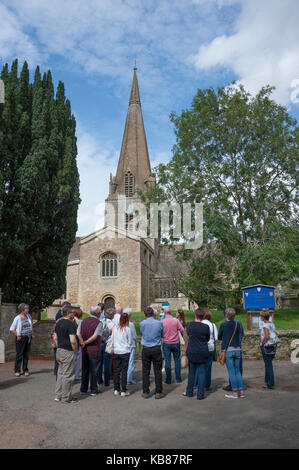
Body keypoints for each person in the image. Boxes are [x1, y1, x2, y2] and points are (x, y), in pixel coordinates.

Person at [218, 307, 245, 399]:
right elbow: (242, 334)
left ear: (226, 315)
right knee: (237, 371)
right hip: (238, 349)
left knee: (231, 372)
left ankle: (234, 393)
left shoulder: (223, 325)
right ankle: (241, 391)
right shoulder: (238, 323)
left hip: (228, 350)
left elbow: (219, 337)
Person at [183, 308, 210, 400]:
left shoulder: (190, 325)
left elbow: (188, 334)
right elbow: (208, 338)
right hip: (202, 351)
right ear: (203, 317)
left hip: (192, 351)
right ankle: (200, 394)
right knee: (202, 373)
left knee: (191, 373)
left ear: (195, 315)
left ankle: (189, 392)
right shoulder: (206, 327)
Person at [54, 305, 78, 403]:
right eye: (72, 312)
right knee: (68, 375)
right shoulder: (70, 324)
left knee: (60, 374)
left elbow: (55, 337)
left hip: (59, 350)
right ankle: (66, 398)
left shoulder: (58, 323)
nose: (74, 314)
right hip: (68, 351)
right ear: (68, 314)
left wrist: (58, 346)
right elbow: (73, 341)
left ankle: (58, 395)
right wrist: (75, 351)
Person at [77, 305, 103, 396]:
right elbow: (95, 336)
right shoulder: (98, 323)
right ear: (98, 313)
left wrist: (82, 342)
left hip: (84, 349)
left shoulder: (83, 321)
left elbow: (78, 333)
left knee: (85, 369)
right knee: (94, 370)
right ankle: (93, 390)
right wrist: (86, 342)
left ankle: (83, 389)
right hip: (94, 349)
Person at [140, 307, 165, 399]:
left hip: (146, 348)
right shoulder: (159, 323)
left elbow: (142, 333)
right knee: (157, 371)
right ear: (153, 314)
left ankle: (145, 391)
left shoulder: (142, 323)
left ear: (145, 314)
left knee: (145, 371)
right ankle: (158, 392)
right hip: (156, 348)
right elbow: (162, 334)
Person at [10, 303, 34, 377]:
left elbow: (31, 326)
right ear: (22, 310)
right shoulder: (17, 318)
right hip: (21, 338)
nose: (28, 310)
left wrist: (32, 334)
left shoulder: (29, 316)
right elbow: (12, 329)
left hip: (28, 337)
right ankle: (17, 370)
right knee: (19, 355)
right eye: (27, 309)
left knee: (26, 355)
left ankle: (25, 370)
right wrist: (18, 335)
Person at [162, 306, 185, 384]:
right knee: (177, 360)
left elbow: (160, 332)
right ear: (170, 313)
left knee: (167, 361)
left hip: (167, 343)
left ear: (165, 313)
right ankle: (178, 378)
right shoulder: (176, 320)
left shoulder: (162, 322)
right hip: (175, 342)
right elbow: (182, 329)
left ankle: (168, 379)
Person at [112, 311, 132, 397]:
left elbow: (113, 338)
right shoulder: (128, 329)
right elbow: (130, 341)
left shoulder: (115, 328)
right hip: (125, 351)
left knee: (116, 370)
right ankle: (123, 390)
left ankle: (116, 389)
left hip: (116, 351)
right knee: (124, 371)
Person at [260, 311, 279, 390]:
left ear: (263, 317)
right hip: (273, 345)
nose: (260, 317)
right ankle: (267, 382)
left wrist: (262, 343)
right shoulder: (272, 324)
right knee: (268, 364)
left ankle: (270, 384)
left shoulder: (265, 325)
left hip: (267, 346)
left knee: (268, 365)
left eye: (261, 316)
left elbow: (267, 336)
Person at [98, 307, 114, 387]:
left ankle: (99, 380)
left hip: (100, 343)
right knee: (107, 364)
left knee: (99, 363)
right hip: (107, 344)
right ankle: (107, 382)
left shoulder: (100, 321)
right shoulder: (112, 324)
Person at [202, 310, 218, 391]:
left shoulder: (200, 324)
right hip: (210, 347)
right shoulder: (212, 325)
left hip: (201, 348)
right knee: (208, 367)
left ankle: (199, 384)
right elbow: (216, 338)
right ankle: (207, 385)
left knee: (200, 367)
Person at [125, 308, 138, 384]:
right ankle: (129, 379)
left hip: (123, 346)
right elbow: (135, 336)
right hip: (131, 345)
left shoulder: (120, 324)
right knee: (130, 362)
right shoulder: (131, 324)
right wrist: (136, 342)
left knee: (124, 363)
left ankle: (124, 377)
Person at [73, 308, 83, 381]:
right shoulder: (80, 322)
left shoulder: (70, 320)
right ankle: (76, 375)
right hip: (77, 341)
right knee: (78, 360)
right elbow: (79, 333)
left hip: (70, 341)